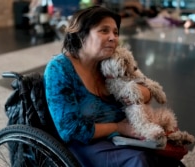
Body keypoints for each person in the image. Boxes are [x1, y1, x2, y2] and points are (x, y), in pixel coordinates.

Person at [44, 5, 186, 167]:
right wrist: (119, 128)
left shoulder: (111, 61)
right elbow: (71, 130)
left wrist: (135, 93)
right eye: (104, 31)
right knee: (139, 160)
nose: (113, 38)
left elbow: (147, 87)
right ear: (81, 34)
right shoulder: (59, 69)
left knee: (167, 150)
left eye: (115, 32)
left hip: (124, 136)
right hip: (86, 143)